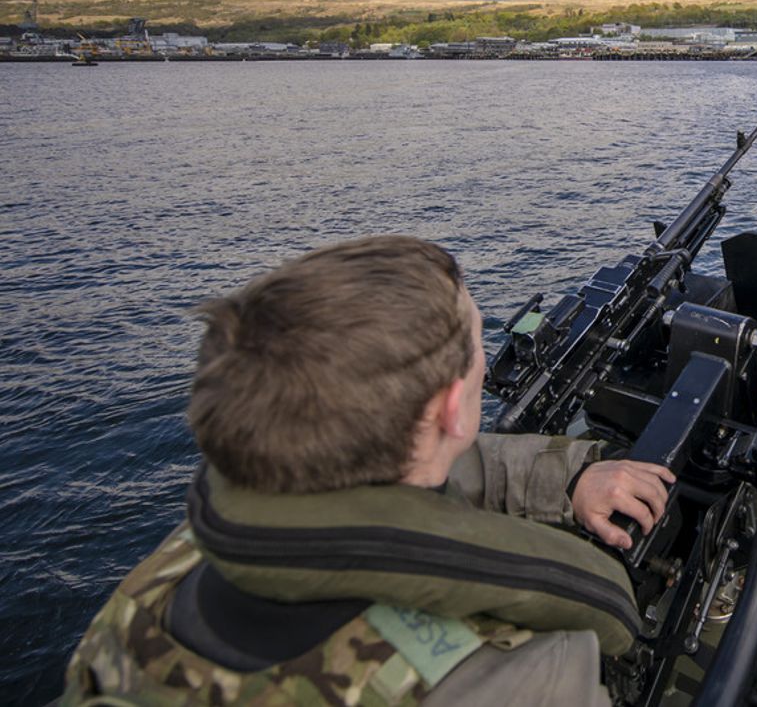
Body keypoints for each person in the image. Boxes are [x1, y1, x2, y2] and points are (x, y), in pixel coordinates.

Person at [62, 235, 674, 706]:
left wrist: (569, 477)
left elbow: (449, 473)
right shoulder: (521, 679)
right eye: (479, 343)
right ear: (451, 410)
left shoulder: (175, 562)